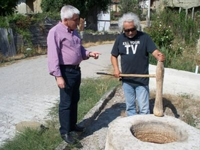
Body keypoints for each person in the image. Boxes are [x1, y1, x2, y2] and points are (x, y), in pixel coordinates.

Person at [47, 5, 100, 144]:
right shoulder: (55, 32)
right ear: (65, 19)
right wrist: (58, 76)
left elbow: (79, 49)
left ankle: (72, 126)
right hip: (65, 72)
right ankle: (65, 132)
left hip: (76, 71)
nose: (78, 22)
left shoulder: (74, 31)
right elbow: (53, 57)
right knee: (66, 103)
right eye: (75, 20)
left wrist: (89, 54)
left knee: (75, 99)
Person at [111, 12, 165, 116]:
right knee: (130, 108)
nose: (130, 32)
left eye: (132, 29)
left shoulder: (144, 37)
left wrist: (159, 56)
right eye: (127, 30)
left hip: (142, 80)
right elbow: (113, 55)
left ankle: (144, 128)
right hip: (127, 80)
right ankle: (132, 128)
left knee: (144, 109)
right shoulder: (120, 39)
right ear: (123, 29)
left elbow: (155, 52)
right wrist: (116, 69)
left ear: (136, 26)